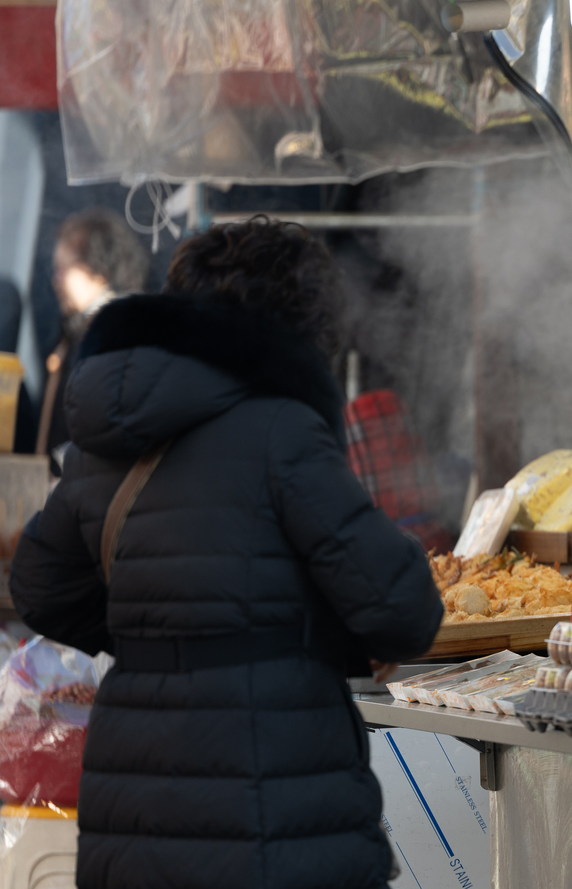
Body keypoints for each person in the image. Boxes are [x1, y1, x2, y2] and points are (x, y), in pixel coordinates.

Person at [10, 217, 443, 889]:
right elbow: (404, 608)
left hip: (132, 821)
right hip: (272, 827)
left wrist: (159, 631)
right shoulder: (283, 428)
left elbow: (37, 584)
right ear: (300, 330)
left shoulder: (104, 443)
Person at [38, 208, 150, 460]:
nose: (56, 280)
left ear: (99, 269)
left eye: (64, 268)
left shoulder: (116, 333)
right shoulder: (79, 331)